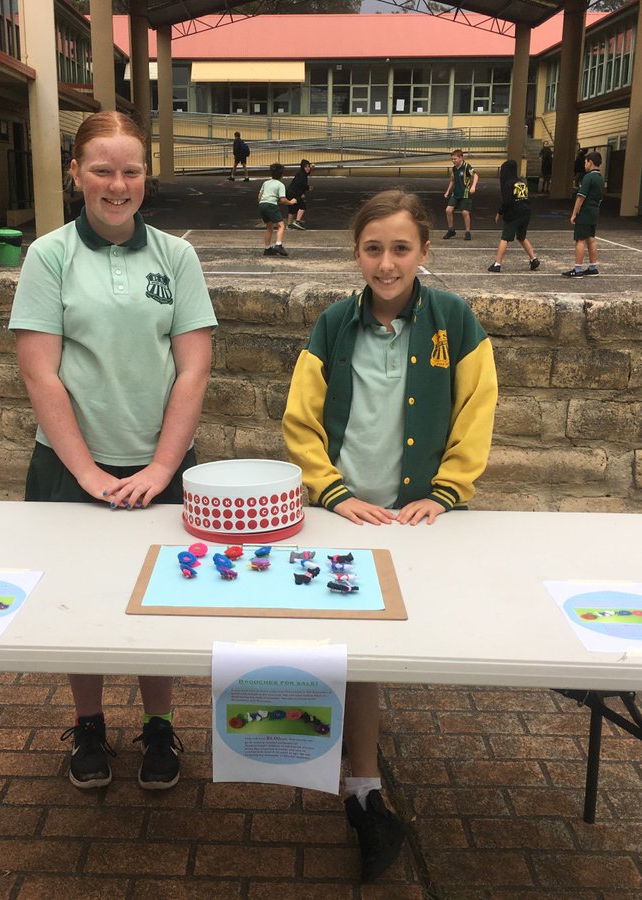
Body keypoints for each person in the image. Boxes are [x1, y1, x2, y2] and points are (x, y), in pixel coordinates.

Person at [282, 189, 497, 882]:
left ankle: (361, 785)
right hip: (341, 517)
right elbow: (300, 423)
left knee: (371, 653)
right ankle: (360, 787)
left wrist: (445, 491)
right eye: (373, 248)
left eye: (401, 247)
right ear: (356, 254)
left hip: (414, 522)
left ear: (424, 253)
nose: (386, 261)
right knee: (340, 650)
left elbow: (476, 414)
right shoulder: (331, 326)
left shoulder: (456, 322)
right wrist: (333, 490)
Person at [10, 111, 216, 792]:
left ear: (145, 177)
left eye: (130, 169)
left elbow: (193, 369)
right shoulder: (49, 256)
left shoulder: (176, 257)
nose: (117, 183)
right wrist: (88, 472)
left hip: (160, 467)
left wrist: (161, 466)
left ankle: (158, 724)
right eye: (102, 168)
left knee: (159, 604)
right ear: (76, 173)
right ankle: (90, 721)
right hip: (71, 468)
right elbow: (40, 372)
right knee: (78, 602)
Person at [488, 159, 540, 273]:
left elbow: (506, 202)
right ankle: (533, 259)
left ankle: (497, 264)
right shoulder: (521, 182)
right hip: (526, 213)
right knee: (521, 237)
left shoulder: (508, 183)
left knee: (505, 238)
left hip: (514, 214)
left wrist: (500, 212)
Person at [563, 150, 603, 277]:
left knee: (580, 239)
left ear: (590, 162)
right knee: (591, 238)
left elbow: (581, 196)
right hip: (595, 210)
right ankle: (592, 267)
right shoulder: (600, 178)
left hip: (585, 210)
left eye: (585, 162)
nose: (584, 164)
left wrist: (574, 213)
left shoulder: (588, 177)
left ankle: (578, 269)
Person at [258, 162, 296, 257]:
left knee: (269, 227)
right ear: (282, 174)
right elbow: (283, 199)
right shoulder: (280, 185)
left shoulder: (266, 182)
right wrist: (291, 202)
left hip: (262, 204)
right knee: (281, 225)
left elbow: (259, 196)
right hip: (271, 205)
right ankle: (278, 244)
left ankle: (267, 248)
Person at [442, 148, 477, 240]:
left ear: (461, 158)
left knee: (465, 212)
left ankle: (468, 232)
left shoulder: (467, 167)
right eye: (452, 159)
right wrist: (447, 191)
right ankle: (451, 230)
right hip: (455, 193)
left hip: (464, 193)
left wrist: (473, 186)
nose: (453, 161)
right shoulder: (454, 169)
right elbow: (452, 180)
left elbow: (476, 175)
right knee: (448, 210)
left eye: (455, 159)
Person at [286, 159, 313, 231]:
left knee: (292, 210)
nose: (308, 168)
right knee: (302, 206)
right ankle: (297, 221)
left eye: (308, 166)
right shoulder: (302, 175)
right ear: (302, 167)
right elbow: (300, 185)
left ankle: (288, 225)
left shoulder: (300, 174)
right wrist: (304, 190)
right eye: (306, 167)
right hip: (294, 193)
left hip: (290, 193)